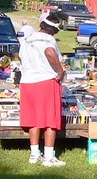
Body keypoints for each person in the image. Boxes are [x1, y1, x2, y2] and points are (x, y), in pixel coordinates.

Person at [18, 11, 66, 167]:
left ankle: (34, 153)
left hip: (27, 82)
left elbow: (20, 57)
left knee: (34, 119)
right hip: (45, 81)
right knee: (50, 120)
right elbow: (50, 53)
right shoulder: (49, 39)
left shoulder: (27, 39)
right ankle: (49, 156)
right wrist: (60, 71)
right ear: (54, 30)